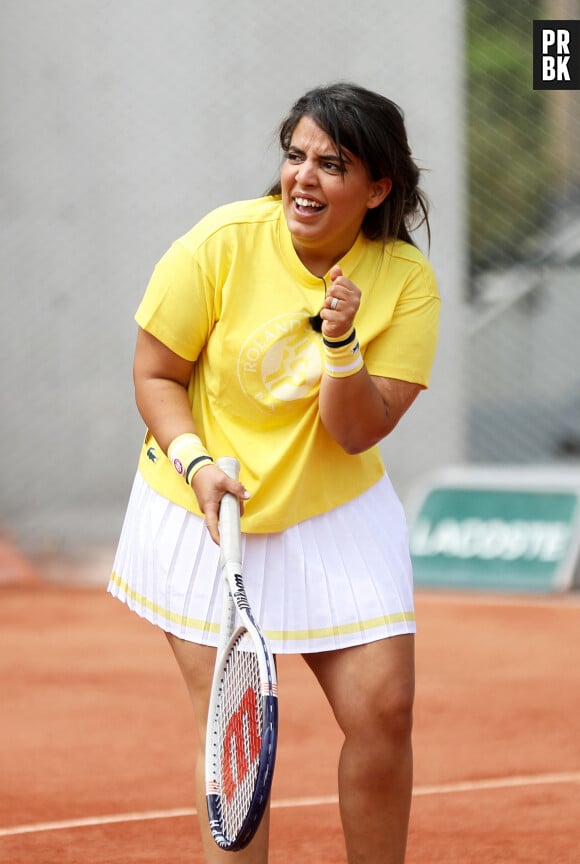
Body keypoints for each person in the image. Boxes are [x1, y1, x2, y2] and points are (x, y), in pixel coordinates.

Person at [108, 81, 440, 864]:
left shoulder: (404, 281)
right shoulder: (219, 243)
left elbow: (356, 432)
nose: (304, 177)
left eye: (333, 163)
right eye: (296, 156)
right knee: (236, 733)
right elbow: (155, 374)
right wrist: (195, 467)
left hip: (335, 508)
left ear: (377, 187)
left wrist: (342, 342)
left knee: (385, 713)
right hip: (203, 503)